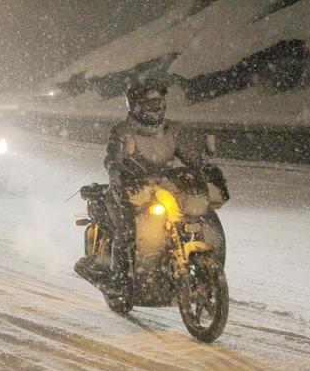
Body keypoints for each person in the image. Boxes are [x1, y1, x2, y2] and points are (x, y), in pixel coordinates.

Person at [77, 78, 224, 294]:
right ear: (135, 106)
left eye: (159, 104)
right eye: (150, 104)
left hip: (164, 186)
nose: (156, 109)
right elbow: (113, 158)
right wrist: (117, 174)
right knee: (127, 229)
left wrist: (202, 166)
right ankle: (119, 280)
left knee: (195, 216)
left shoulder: (172, 129)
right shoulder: (123, 131)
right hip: (130, 188)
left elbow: (188, 156)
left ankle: (188, 267)